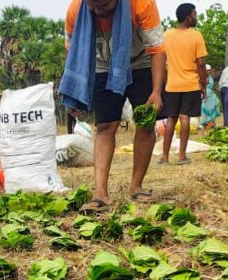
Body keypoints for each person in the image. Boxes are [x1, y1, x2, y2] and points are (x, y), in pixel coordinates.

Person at [63, 0, 166, 211]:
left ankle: (136, 186)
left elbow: (157, 50)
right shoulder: (76, 9)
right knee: (105, 126)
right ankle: (100, 193)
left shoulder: (141, 4)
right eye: (94, 7)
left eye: (105, 5)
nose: (99, 10)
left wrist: (156, 91)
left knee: (145, 123)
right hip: (103, 66)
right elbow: (74, 53)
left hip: (140, 63)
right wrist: (74, 89)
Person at [158, 3, 207, 165]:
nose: (196, 17)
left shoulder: (166, 35)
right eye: (194, 14)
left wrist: (165, 83)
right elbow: (201, 63)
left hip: (172, 84)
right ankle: (181, 156)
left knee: (171, 118)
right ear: (188, 17)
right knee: (184, 118)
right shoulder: (196, 36)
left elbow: (162, 62)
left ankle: (164, 157)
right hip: (191, 84)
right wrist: (203, 84)